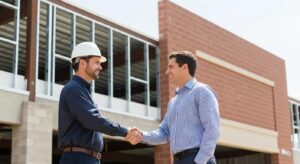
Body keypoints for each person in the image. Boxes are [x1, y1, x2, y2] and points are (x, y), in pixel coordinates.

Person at [58, 42, 141, 164]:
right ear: (82, 63)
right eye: (96, 62)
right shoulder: (73, 89)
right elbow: (92, 120)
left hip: (86, 158)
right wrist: (125, 131)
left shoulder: (82, 90)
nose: (100, 67)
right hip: (78, 159)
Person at [131, 51, 220, 164]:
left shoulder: (202, 91)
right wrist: (142, 135)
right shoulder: (173, 102)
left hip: (197, 159)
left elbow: (212, 129)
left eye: (171, 67)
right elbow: (164, 133)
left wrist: (200, 161)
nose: (167, 72)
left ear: (184, 67)